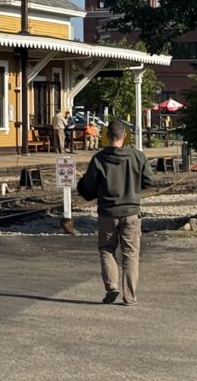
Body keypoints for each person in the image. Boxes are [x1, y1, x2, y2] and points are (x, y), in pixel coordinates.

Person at [77, 119, 155, 305]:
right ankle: (130, 296)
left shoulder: (99, 159)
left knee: (106, 249)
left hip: (107, 213)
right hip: (131, 212)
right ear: (125, 135)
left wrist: (85, 187)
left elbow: (88, 187)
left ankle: (112, 287)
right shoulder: (138, 156)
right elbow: (149, 181)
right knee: (131, 254)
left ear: (106, 136)